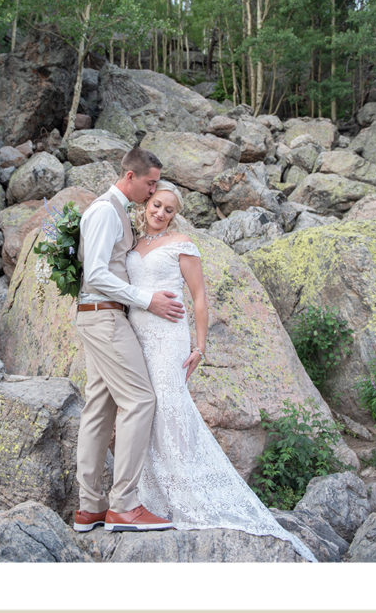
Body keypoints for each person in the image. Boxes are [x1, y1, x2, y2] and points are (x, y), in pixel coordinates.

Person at [125, 180, 316, 562]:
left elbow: (199, 297)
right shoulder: (133, 243)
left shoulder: (181, 244)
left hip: (167, 337)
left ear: (176, 215)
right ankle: (149, 494)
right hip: (137, 335)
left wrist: (200, 346)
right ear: (147, 203)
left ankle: (186, 490)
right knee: (145, 409)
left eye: (169, 210)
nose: (160, 213)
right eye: (157, 205)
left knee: (169, 405)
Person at [72, 148, 184, 533]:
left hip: (100, 315)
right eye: (150, 183)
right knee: (140, 400)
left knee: (100, 407)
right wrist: (147, 300)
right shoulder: (106, 211)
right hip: (104, 315)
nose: (154, 191)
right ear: (130, 176)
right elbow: (96, 274)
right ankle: (124, 505)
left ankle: (90, 508)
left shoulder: (115, 211)